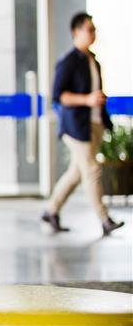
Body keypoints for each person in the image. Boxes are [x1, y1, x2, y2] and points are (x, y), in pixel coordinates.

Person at [42, 12, 124, 236]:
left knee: (77, 173)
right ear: (76, 32)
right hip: (76, 126)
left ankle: (51, 210)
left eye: (94, 29)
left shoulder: (93, 61)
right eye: (89, 29)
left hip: (94, 124)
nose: (93, 33)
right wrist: (86, 99)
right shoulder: (68, 62)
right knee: (92, 169)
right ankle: (104, 218)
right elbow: (58, 95)